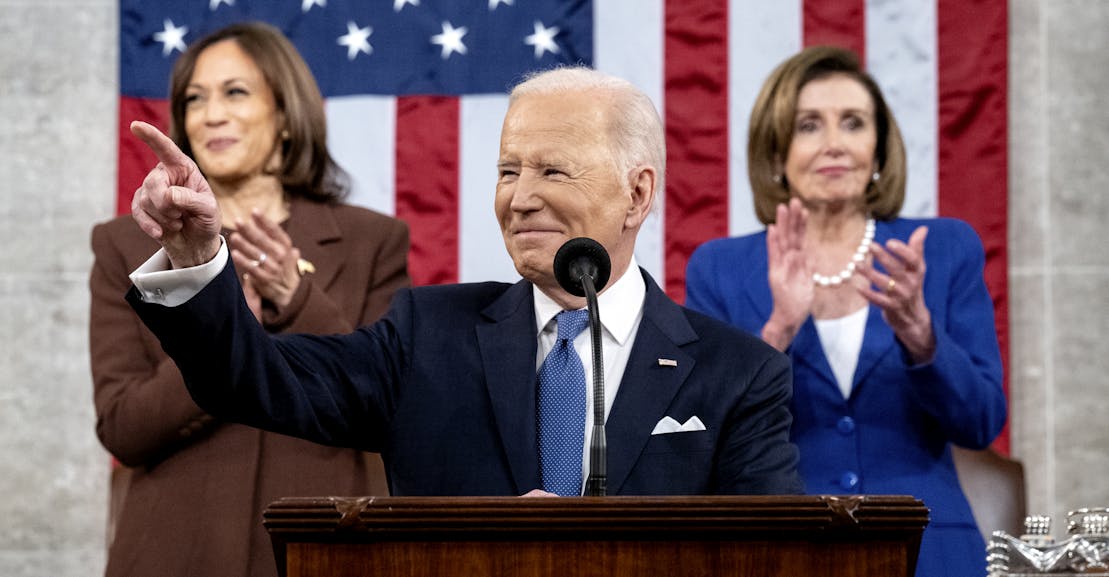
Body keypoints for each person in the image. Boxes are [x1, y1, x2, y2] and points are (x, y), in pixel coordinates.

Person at [122, 66, 804, 500]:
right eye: (508, 171)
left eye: (552, 171)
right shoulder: (426, 335)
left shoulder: (739, 375)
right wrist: (196, 256)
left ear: (637, 193)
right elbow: (249, 379)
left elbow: (771, 558)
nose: (520, 198)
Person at [89, 22, 410, 577]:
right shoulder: (126, 244)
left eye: (235, 92)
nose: (211, 114)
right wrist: (216, 325)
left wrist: (297, 297)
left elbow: (387, 405)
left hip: (324, 549)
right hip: (176, 554)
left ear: (285, 114)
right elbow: (123, 428)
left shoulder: (373, 241)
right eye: (195, 99)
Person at [684, 46, 1007, 577]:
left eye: (853, 123)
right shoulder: (719, 269)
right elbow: (704, 437)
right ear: (776, 154)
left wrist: (922, 337)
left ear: (878, 151)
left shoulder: (945, 250)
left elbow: (981, 424)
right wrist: (778, 331)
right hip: (786, 551)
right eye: (809, 125)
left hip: (928, 551)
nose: (834, 143)